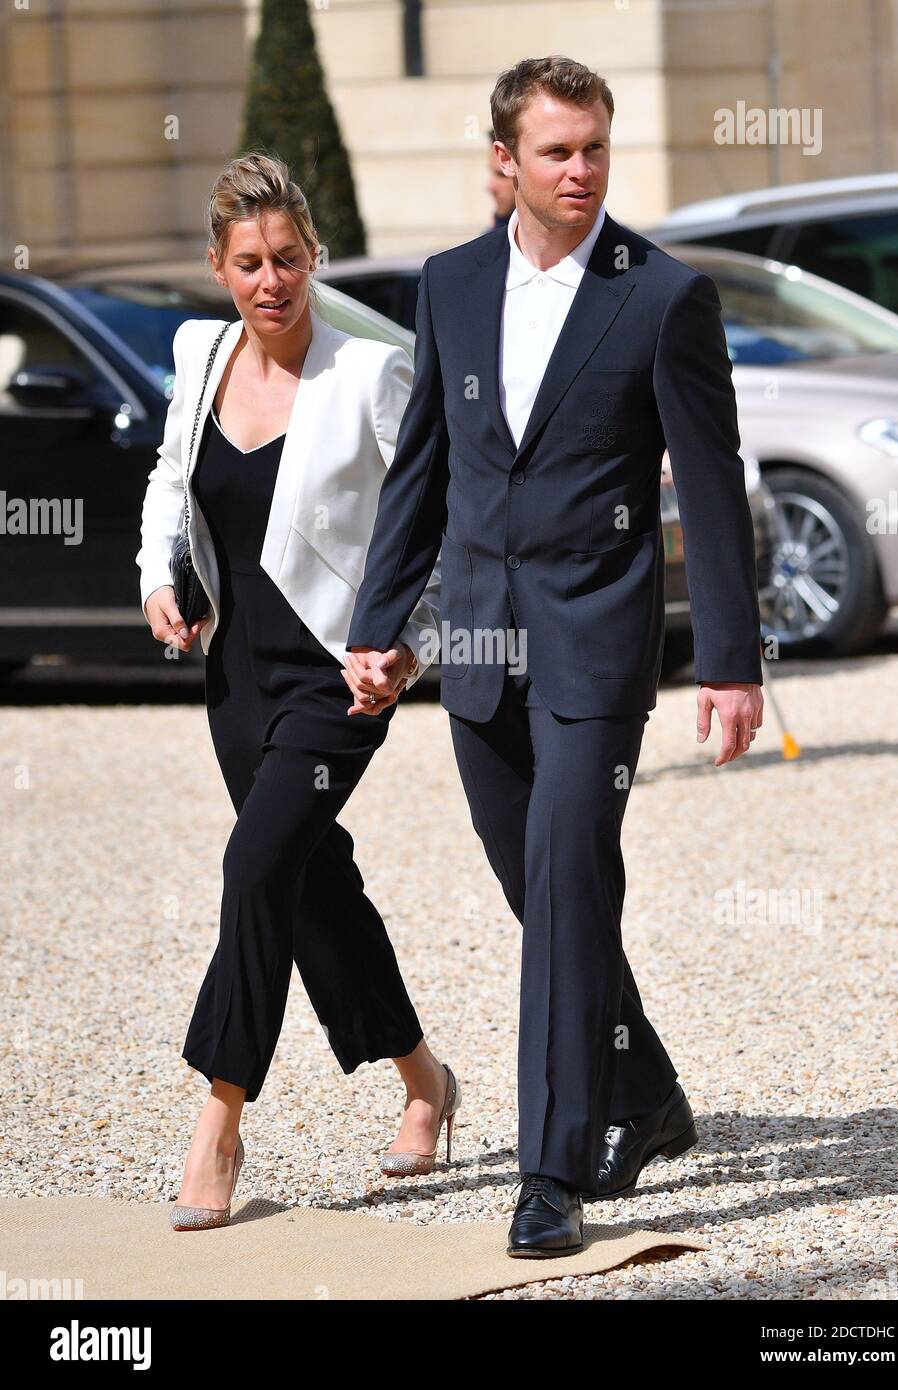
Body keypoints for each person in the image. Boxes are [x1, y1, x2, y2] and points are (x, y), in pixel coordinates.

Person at [344, 56, 764, 1258]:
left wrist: (730, 662)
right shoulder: (451, 285)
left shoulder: (662, 295)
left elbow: (717, 489)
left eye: (595, 149)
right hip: (474, 644)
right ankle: (651, 1093)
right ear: (504, 162)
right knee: (548, 899)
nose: (581, 171)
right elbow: (422, 468)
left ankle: (554, 1167)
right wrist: (381, 627)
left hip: (594, 646)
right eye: (557, 152)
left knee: (572, 883)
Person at [136, 152, 459, 1231]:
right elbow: (169, 483)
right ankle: (425, 1079)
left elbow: (439, 532)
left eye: (286, 258)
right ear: (219, 266)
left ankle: (219, 1120)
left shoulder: (367, 375)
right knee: (310, 884)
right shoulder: (199, 353)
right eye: (247, 262)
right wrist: (155, 581)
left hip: (339, 677)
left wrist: (405, 649)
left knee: (255, 860)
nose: (269, 281)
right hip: (236, 674)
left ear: (314, 256)